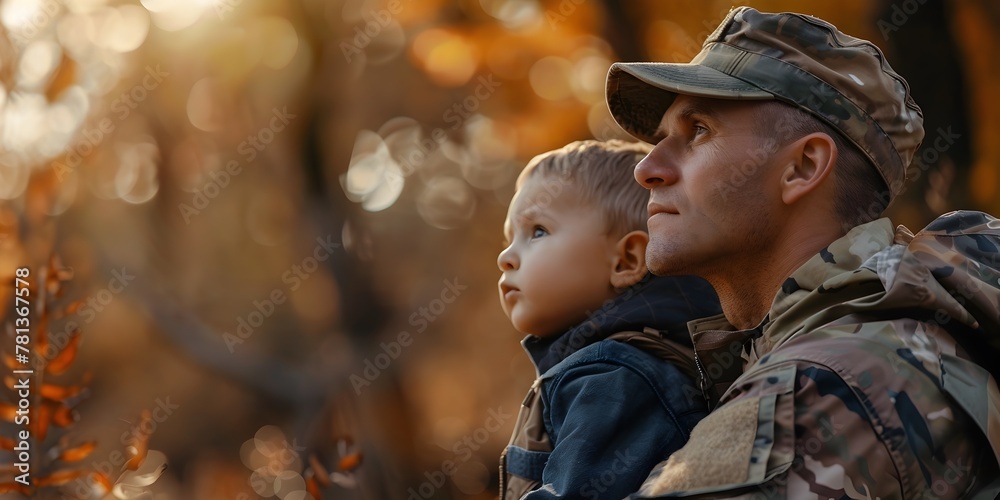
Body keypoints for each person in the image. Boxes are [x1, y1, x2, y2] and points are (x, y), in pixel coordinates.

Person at [604, 7, 1000, 499]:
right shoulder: (894, 339)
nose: (647, 168)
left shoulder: (823, 386)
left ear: (803, 167)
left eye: (699, 130)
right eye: (662, 139)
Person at [496, 140, 721, 499]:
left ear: (626, 261)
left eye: (537, 231)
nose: (506, 257)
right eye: (509, 239)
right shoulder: (601, 367)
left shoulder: (617, 376)